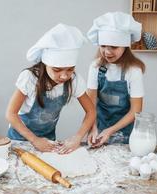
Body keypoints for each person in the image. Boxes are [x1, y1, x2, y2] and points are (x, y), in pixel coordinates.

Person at [6, 24, 95, 154]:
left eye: (70, 69)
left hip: (48, 141)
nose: (64, 76)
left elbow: (91, 111)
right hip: (20, 140)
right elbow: (10, 114)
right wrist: (35, 140)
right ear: (46, 63)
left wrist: (78, 137)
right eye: (57, 70)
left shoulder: (74, 80)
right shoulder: (30, 78)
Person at [86, 12, 145, 147]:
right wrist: (92, 128)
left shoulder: (134, 71)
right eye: (103, 46)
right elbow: (91, 104)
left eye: (114, 47)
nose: (107, 52)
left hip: (124, 132)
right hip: (99, 127)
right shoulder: (95, 67)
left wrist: (111, 130)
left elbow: (136, 110)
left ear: (125, 46)